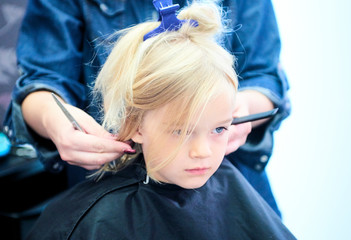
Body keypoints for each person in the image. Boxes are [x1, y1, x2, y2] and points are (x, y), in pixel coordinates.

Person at [25, 2, 295, 239]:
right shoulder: (97, 220)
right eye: (180, 131)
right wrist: (54, 120)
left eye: (219, 129)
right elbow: (43, 77)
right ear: (136, 124)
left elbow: (264, 74)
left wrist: (238, 105)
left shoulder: (241, 205)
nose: (203, 152)